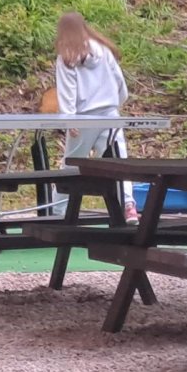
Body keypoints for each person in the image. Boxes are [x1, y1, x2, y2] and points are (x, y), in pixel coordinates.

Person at [54, 11, 139, 225]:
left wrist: (69, 119)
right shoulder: (103, 50)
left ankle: (58, 210)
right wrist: (116, 103)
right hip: (110, 115)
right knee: (118, 161)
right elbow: (119, 81)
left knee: (72, 163)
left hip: (83, 118)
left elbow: (67, 91)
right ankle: (128, 205)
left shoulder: (66, 57)